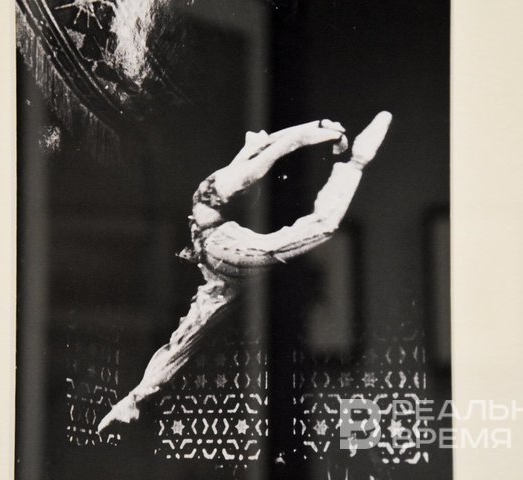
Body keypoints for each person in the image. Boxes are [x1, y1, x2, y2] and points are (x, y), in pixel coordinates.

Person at [98, 111, 392, 433]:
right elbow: (283, 144)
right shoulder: (230, 180)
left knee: (187, 337)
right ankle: (357, 163)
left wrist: (322, 129)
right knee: (315, 230)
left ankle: (132, 401)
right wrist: (324, 133)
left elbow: (278, 141)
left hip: (218, 263)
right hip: (221, 252)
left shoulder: (233, 174)